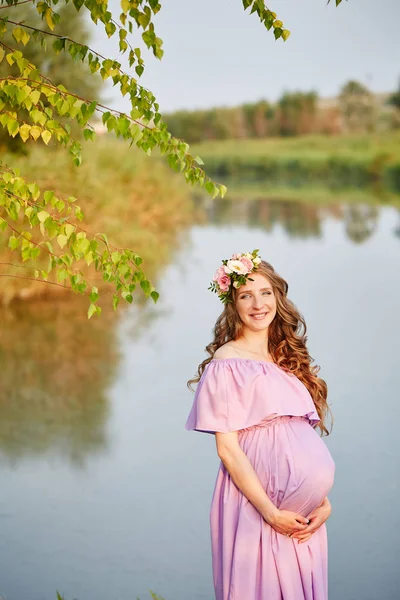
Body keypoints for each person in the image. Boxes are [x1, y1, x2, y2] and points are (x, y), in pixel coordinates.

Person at [185, 250, 335, 600]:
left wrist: (321, 499)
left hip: (304, 519)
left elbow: (296, 438)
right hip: (260, 507)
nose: (258, 304)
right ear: (232, 304)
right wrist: (270, 512)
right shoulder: (227, 362)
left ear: (277, 298)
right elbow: (228, 449)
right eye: (245, 295)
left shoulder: (284, 358)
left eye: (265, 293)